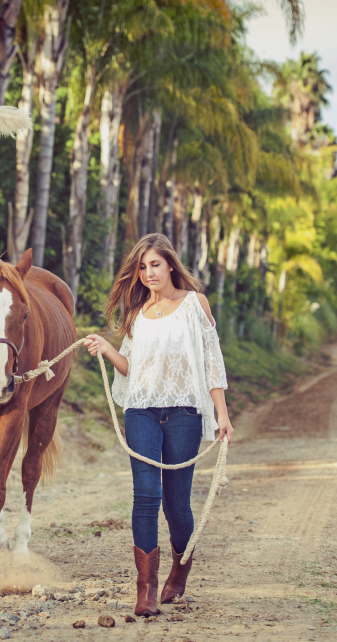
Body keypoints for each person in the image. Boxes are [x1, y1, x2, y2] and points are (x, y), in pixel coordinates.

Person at [83, 233, 232, 616]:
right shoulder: (136, 313)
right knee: (146, 494)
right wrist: (107, 348)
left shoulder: (194, 304)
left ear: (170, 265)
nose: (148, 273)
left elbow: (211, 361)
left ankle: (180, 569)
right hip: (142, 411)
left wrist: (222, 415)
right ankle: (146, 588)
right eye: (142, 267)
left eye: (155, 264)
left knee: (177, 504)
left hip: (184, 413)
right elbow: (132, 369)